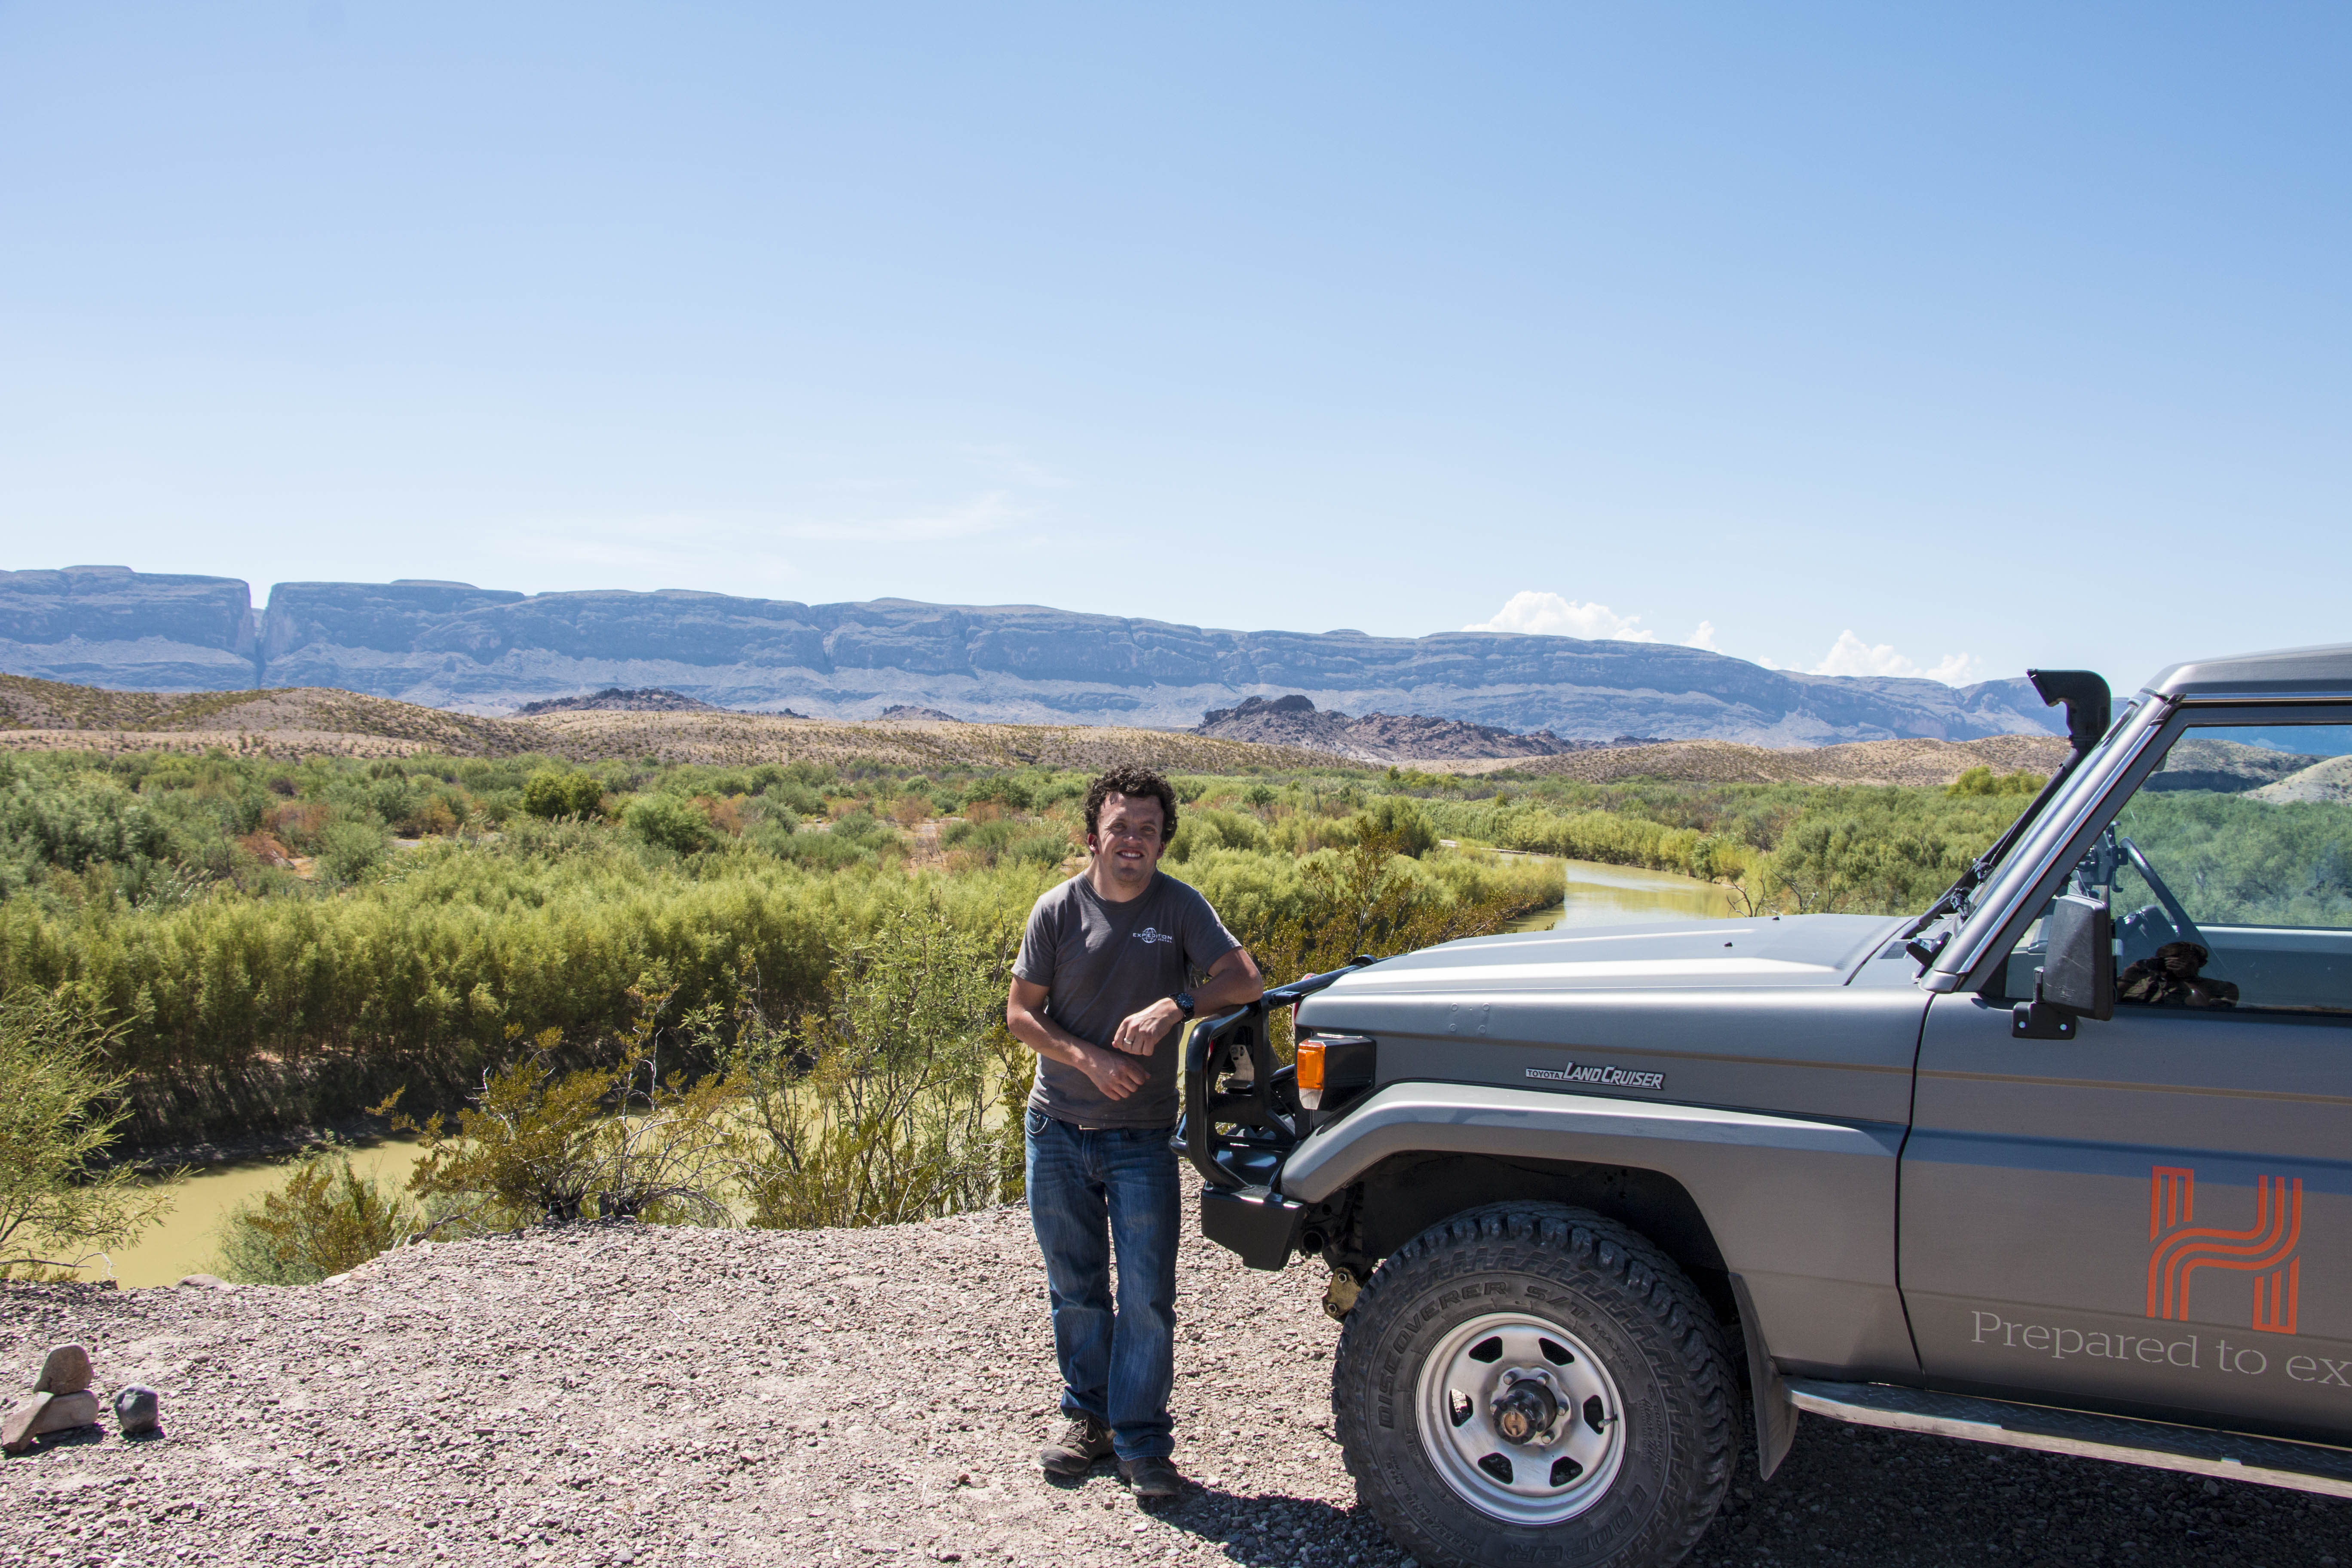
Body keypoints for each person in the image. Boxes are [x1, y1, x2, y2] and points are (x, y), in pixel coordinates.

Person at [1006, 765, 1263, 1499]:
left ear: (1161, 842)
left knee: (1148, 1297)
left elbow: (1245, 980)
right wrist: (1087, 1057)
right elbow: (1021, 1013)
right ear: (1093, 836)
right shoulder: (1057, 911)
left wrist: (1176, 1004)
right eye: (1120, 826)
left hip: (1141, 1139)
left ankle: (1143, 1443)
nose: (1133, 840)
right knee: (1075, 1287)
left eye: (1148, 830)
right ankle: (1087, 1421)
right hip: (1056, 1129)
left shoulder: (1180, 907)